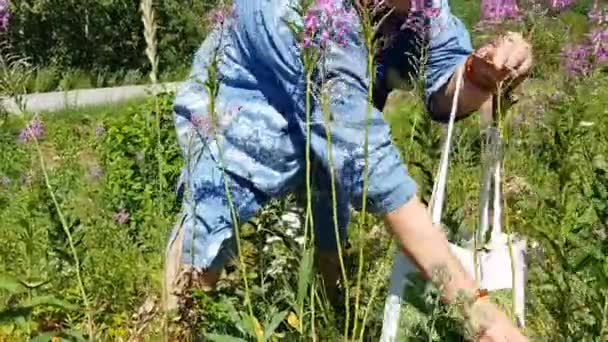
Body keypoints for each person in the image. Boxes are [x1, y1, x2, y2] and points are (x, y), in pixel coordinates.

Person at [164, 0, 533, 340]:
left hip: (333, 120)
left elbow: (442, 85)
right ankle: (177, 328)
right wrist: (480, 316)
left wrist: (476, 73)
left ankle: (333, 320)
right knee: (208, 229)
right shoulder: (309, 13)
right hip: (239, 110)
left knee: (331, 231)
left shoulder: (422, 7)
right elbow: (373, 171)